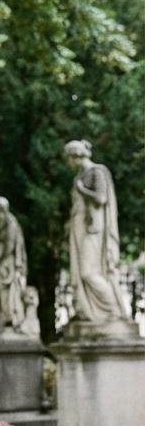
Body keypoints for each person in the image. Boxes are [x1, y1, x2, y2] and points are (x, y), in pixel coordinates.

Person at [63, 139, 129, 324]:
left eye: (68, 158)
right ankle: (86, 309)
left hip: (93, 228)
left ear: (75, 156)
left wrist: (82, 189)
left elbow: (100, 199)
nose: (68, 163)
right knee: (80, 271)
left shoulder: (97, 172)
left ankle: (112, 310)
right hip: (80, 227)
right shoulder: (80, 175)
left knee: (88, 272)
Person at [0, 197, 28, 334]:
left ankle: (9, 319)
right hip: (2, 265)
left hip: (7, 265)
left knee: (6, 292)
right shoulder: (3, 222)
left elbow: (9, 245)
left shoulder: (10, 222)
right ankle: (3, 318)